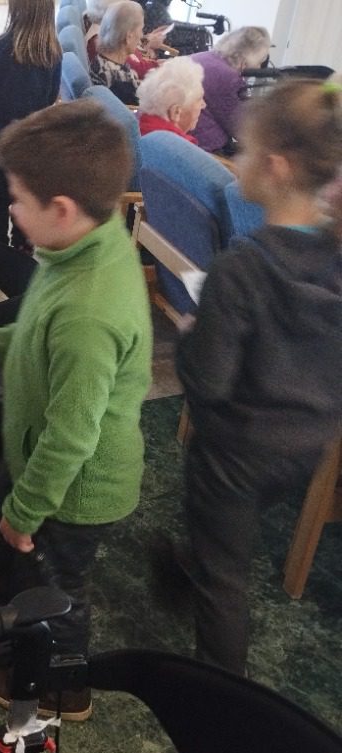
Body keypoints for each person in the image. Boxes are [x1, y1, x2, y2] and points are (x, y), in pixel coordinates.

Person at [0, 99, 152, 721]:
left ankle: (60, 687)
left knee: (55, 589)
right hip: (36, 458)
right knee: (11, 553)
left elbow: (72, 435)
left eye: (16, 199)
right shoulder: (76, 253)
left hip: (72, 488)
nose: (10, 208)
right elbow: (30, 335)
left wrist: (29, 509)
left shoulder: (90, 310)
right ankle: (0, 631)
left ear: (60, 209)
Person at [174, 79, 342, 676]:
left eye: (244, 150)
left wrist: (192, 335)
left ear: (274, 166)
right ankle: (186, 564)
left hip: (234, 452)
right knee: (224, 535)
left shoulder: (240, 268)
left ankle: (223, 697)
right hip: (308, 444)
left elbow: (209, 382)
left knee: (224, 582)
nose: (237, 159)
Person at [0, 0, 61, 250]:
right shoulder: (53, 52)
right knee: (27, 200)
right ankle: (22, 252)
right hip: (33, 142)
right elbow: (51, 97)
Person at [189, 26, 271, 154]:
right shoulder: (229, 78)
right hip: (203, 147)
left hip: (181, 136)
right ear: (250, 58)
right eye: (259, 61)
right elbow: (240, 128)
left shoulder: (202, 57)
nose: (259, 67)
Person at [136, 56, 206, 142]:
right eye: (199, 100)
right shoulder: (179, 146)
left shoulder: (135, 127)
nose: (203, 105)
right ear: (175, 112)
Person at [88, 0, 143, 106]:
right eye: (141, 30)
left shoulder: (100, 60)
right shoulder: (120, 80)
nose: (141, 35)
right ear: (129, 36)